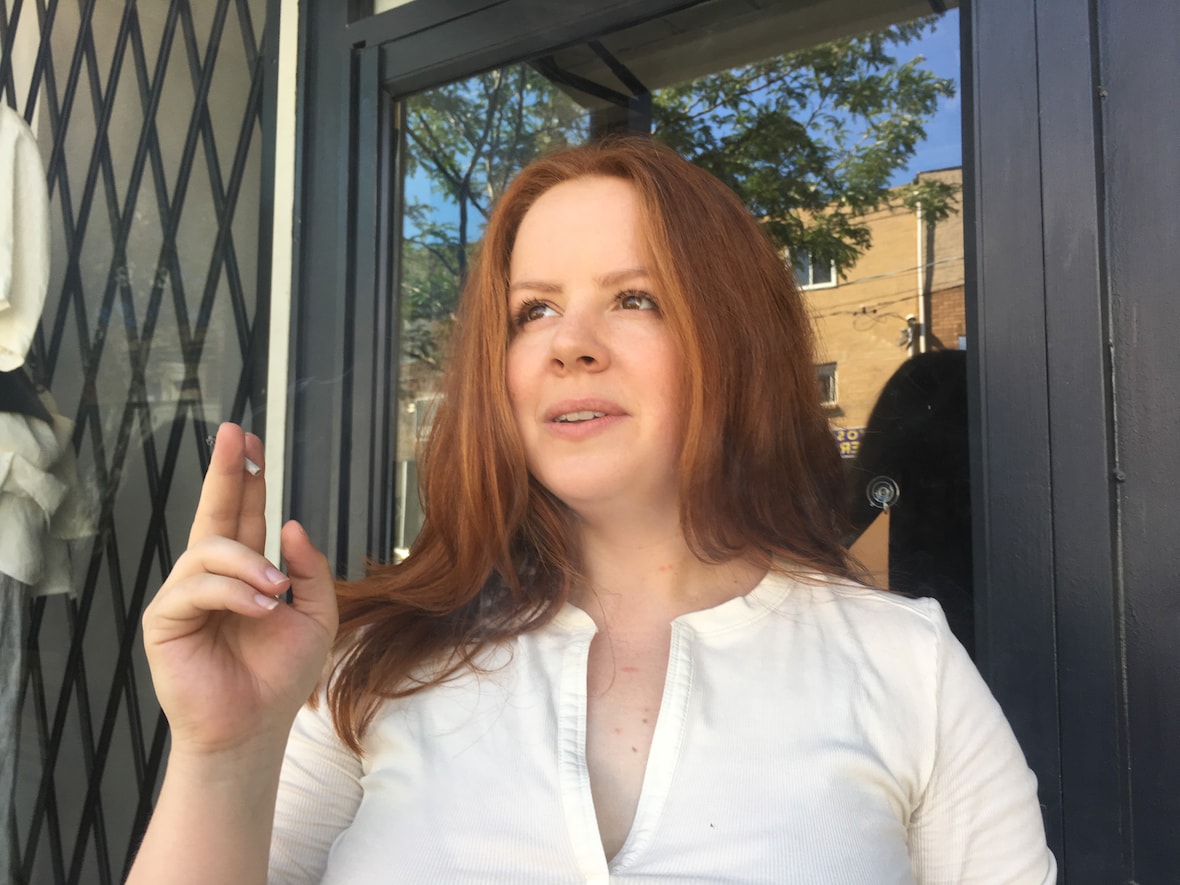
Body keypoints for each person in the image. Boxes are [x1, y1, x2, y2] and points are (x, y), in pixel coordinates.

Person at [130, 138, 1056, 884]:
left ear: (733, 341)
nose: (570, 344)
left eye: (634, 299)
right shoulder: (369, 665)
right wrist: (223, 752)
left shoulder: (907, 667)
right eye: (533, 311)